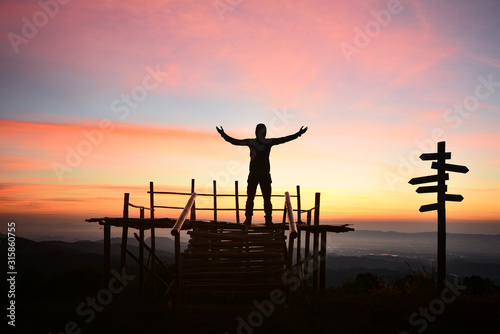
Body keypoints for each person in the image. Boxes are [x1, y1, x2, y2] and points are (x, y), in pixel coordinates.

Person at [216, 124, 307, 225]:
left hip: (259, 174)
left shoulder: (255, 142)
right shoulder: (264, 142)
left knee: (257, 198)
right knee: (260, 198)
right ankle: (262, 219)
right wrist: (298, 134)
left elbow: (235, 141)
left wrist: (223, 134)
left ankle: (257, 219)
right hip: (260, 174)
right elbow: (284, 139)